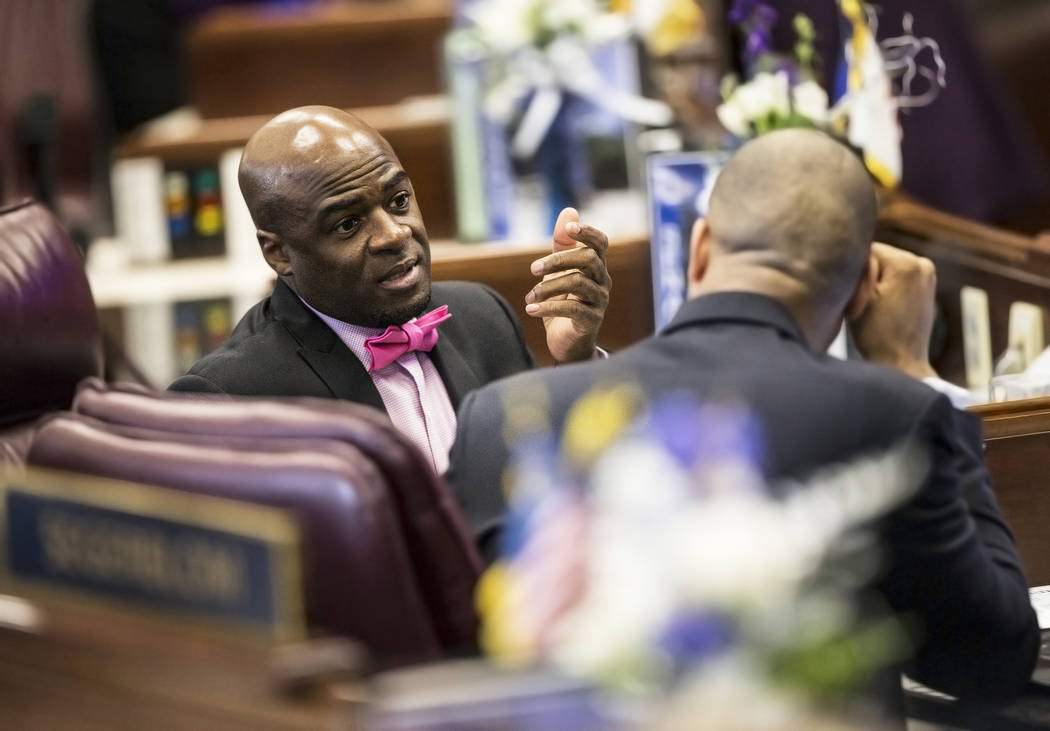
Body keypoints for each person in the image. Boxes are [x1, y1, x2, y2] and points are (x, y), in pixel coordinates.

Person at [447, 129, 1039, 703]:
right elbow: (990, 660)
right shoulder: (891, 416)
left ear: (700, 248)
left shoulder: (497, 416)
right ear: (861, 293)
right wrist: (909, 369)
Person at [170, 106, 612, 472]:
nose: (395, 235)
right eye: (348, 224)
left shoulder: (482, 317)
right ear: (279, 254)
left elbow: (552, 494)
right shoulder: (229, 399)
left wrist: (576, 361)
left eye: (398, 201)